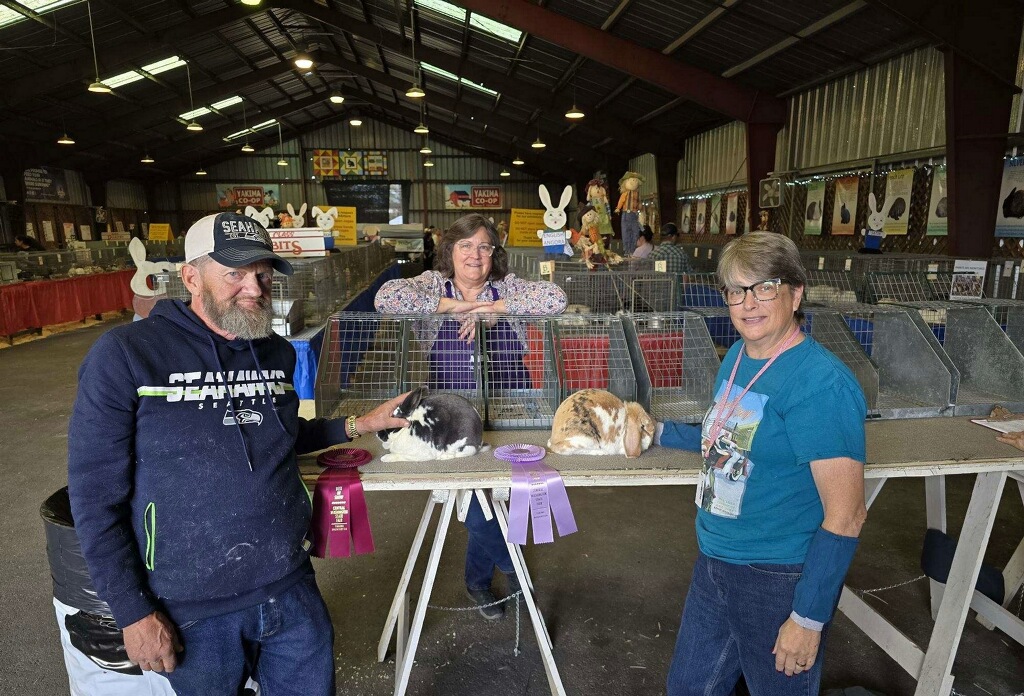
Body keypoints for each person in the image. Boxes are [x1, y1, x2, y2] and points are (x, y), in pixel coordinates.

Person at [68, 212, 409, 695]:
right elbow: (93, 496)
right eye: (235, 273)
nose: (254, 287)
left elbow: (282, 434)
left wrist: (360, 424)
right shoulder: (126, 354)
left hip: (289, 583)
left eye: (264, 274)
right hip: (191, 603)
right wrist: (133, 611)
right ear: (190, 276)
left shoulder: (274, 352)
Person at [658, 231, 868, 695]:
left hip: (775, 576)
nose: (748, 303)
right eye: (736, 289)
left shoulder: (820, 385)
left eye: (765, 287)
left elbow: (847, 515)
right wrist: (655, 431)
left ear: (796, 293)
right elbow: (729, 439)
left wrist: (808, 617)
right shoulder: (735, 356)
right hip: (714, 560)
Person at [375, 213, 567, 619]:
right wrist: (456, 306)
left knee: (504, 494)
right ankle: (513, 571)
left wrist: (494, 307)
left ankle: (478, 583)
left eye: (484, 246)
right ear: (450, 251)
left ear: (494, 253)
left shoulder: (507, 287)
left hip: (508, 404)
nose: (475, 255)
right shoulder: (431, 284)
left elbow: (555, 300)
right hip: (453, 415)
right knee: (475, 499)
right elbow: (386, 298)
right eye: (466, 246)